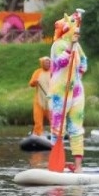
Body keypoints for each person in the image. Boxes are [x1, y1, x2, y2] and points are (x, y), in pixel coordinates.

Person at [49, 10, 87, 172]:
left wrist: (76, 79)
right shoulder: (57, 45)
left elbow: (84, 63)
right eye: (73, 23)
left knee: (76, 129)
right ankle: (57, 164)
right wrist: (71, 45)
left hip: (76, 92)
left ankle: (78, 166)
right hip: (59, 93)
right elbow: (61, 62)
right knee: (58, 128)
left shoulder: (78, 47)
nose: (76, 26)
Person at [28, 56, 52, 136]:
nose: (47, 64)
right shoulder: (37, 72)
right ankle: (38, 133)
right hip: (39, 100)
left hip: (50, 99)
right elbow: (31, 83)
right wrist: (35, 82)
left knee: (53, 119)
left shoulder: (53, 72)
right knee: (38, 119)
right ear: (42, 63)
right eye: (46, 63)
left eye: (49, 63)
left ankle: (56, 134)